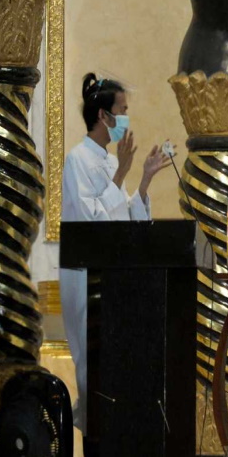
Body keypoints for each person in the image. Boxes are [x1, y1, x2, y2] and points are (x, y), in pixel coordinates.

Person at [60, 73, 169, 437]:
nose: (126, 118)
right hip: (86, 278)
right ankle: (96, 454)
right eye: (122, 110)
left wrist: (144, 180)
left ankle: (115, 448)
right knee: (93, 371)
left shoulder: (106, 162)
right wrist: (123, 172)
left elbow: (121, 220)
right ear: (104, 116)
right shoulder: (78, 160)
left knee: (116, 372)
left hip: (116, 280)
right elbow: (92, 223)